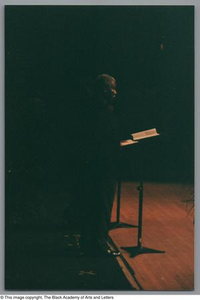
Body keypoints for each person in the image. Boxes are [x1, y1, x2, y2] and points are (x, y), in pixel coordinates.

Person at [79, 74, 121, 257]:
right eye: (112, 88)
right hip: (103, 168)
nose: (115, 92)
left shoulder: (92, 109)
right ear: (104, 90)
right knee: (101, 207)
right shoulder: (103, 112)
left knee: (91, 207)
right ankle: (99, 246)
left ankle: (89, 244)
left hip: (93, 166)